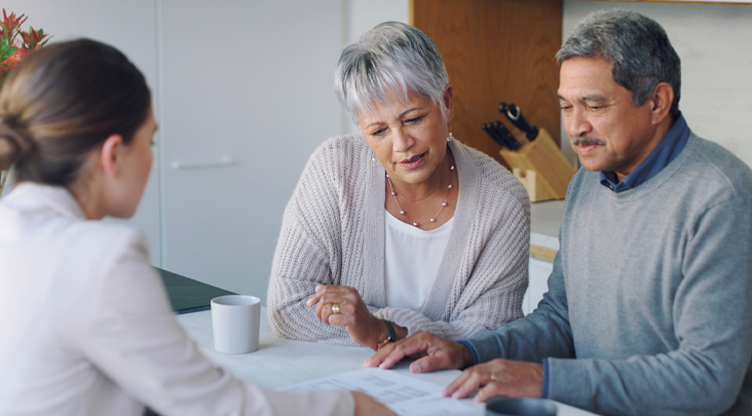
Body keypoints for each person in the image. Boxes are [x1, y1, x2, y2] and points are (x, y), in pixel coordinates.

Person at [366, 9, 752, 416]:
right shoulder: (589, 180)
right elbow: (560, 319)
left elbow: (709, 378)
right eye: (566, 106)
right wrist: (467, 351)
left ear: (657, 102)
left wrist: (546, 379)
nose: (575, 126)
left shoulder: (721, 198)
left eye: (594, 105)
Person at [0, 39, 393, 416]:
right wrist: (350, 407)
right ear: (113, 154)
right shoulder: (101, 260)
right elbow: (215, 407)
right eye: (150, 143)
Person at [266, 22, 530, 350]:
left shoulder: (502, 201)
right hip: (346, 386)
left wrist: (382, 330)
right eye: (379, 131)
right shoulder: (334, 170)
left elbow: (488, 337)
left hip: (446, 391)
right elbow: (289, 307)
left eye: (413, 119)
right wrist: (349, 317)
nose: (402, 144)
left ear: (446, 103)